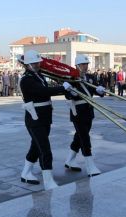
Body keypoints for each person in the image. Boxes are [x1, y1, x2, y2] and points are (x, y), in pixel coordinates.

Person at [19, 50, 72, 190]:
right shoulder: (27, 79)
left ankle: (25, 173)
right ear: (28, 64)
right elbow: (43, 92)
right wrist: (62, 88)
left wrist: (65, 88)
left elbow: (47, 90)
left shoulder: (39, 76)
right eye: (34, 63)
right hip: (34, 119)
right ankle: (48, 181)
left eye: (38, 62)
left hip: (44, 117)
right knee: (45, 150)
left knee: (36, 147)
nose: (37, 64)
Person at [64, 54, 105, 176]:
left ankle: (70, 160)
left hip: (88, 111)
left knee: (80, 136)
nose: (85, 67)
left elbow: (94, 90)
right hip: (78, 112)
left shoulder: (89, 77)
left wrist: (100, 91)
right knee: (85, 138)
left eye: (86, 64)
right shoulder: (71, 78)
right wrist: (70, 92)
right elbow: (68, 96)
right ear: (77, 65)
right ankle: (90, 166)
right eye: (83, 64)